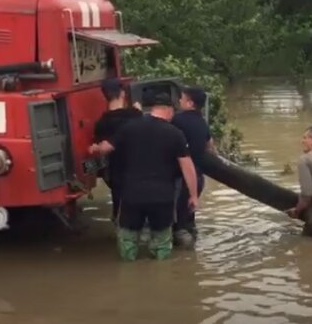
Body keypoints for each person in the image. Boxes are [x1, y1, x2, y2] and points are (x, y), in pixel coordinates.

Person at [88, 92, 199, 261]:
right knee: (162, 241)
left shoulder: (129, 127)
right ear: (169, 110)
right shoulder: (175, 133)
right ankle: (161, 276)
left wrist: (95, 148)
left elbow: (106, 148)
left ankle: (128, 274)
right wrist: (193, 195)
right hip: (162, 197)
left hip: (132, 195)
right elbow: (187, 167)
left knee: (128, 241)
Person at [171, 86, 216, 248]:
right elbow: (210, 146)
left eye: (182, 99)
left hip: (181, 179)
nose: (179, 101)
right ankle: (192, 259)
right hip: (198, 178)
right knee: (189, 218)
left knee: (177, 224)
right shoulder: (202, 122)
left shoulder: (178, 120)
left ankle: (180, 266)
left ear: (190, 103)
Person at [93, 79, 142, 222]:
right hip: (138, 169)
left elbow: (100, 147)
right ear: (122, 93)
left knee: (120, 208)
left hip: (116, 171)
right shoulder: (135, 115)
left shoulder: (102, 123)